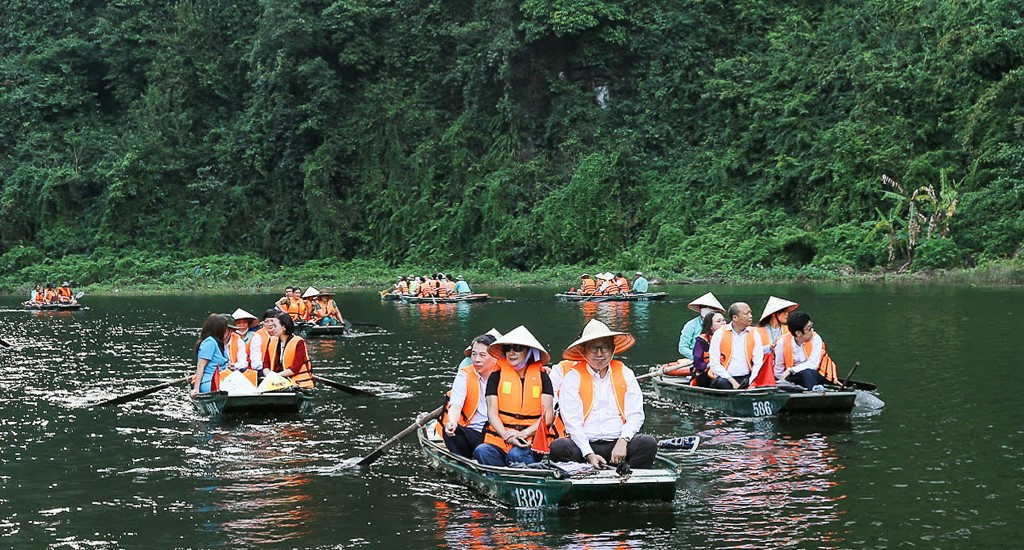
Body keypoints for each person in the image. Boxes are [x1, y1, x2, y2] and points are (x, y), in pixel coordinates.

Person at [549, 320, 658, 469]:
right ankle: (584, 471)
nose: (599, 354)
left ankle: (629, 475)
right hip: (585, 445)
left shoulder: (625, 373)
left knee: (647, 443)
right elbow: (572, 423)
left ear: (613, 349)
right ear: (583, 351)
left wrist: (623, 440)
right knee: (559, 447)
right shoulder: (573, 377)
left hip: (618, 443)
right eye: (593, 348)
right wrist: (589, 454)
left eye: (605, 348)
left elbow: (635, 415)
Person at [473, 326, 554, 467]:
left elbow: (548, 417)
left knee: (516, 454)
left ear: (529, 351)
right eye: (507, 348)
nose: (511, 353)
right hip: (502, 438)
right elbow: (492, 414)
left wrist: (524, 433)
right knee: (482, 451)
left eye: (517, 348)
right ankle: (500, 477)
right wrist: (506, 436)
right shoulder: (496, 377)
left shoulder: (543, 378)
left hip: (529, 440)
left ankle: (515, 475)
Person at [441, 332, 501, 458]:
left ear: (495, 357)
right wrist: (452, 421)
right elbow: (456, 405)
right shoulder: (465, 375)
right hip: (474, 432)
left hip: (497, 433)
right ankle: (464, 463)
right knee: (450, 432)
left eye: (482, 355)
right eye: (474, 354)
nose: (477, 359)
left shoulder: (505, 375)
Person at [707, 302, 765, 389]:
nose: (750, 316)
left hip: (747, 377)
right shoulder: (719, 333)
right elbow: (714, 363)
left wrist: (751, 381)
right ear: (735, 317)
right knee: (721, 383)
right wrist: (732, 380)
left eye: (750, 313)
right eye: (746, 313)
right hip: (725, 378)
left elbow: (758, 362)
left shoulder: (754, 333)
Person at [774, 311, 840, 389]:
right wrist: (782, 380)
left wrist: (791, 370)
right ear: (798, 333)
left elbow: (813, 364)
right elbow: (779, 369)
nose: (812, 330)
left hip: (820, 374)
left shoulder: (816, 338)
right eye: (809, 328)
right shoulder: (782, 342)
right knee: (787, 381)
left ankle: (813, 393)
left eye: (811, 326)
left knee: (807, 373)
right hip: (797, 375)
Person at [751, 296, 799, 388]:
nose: (787, 314)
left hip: (785, 369)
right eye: (784, 312)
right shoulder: (756, 331)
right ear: (774, 314)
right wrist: (769, 347)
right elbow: (751, 352)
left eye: (787, 312)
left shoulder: (789, 330)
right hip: (763, 368)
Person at [262, 312, 314, 389]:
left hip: (296, 382)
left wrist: (276, 376)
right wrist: (268, 375)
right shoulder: (272, 340)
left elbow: (296, 368)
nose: (273, 329)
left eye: (275, 326)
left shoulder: (298, 342)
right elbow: (266, 364)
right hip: (276, 380)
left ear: (284, 327)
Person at [191, 314, 233, 395]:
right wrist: (196, 389)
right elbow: (201, 366)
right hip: (211, 382)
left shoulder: (219, 343)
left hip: (223, 378)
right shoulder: (210, 342)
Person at [678, 292, 726, 359]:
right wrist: (698, 357)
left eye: (710, 307)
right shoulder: (691, 325)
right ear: (700, 309)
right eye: (704, 307)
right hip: (695, 358)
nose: (707, 309)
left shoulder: (721, 324)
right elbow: (683, 347)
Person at [690, 310, 726, 387]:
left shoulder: (730, 337)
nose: (723, 323)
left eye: (724, 320)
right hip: (706, 373)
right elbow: (697, 363)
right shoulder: (702, 340)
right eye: (718, 321)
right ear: (711, 326)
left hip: (726, 369)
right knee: (720, 381)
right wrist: (711, 365)